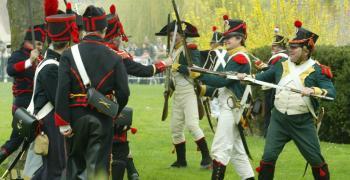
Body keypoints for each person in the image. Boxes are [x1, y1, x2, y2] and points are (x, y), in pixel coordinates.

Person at [238, 20, 336, 180]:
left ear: (306, 50)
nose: (290, 50)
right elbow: (260, 78)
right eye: (290, 46)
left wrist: (313, 90)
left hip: (302, 122)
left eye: (294, 47)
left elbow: (331, 93)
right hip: (279, 120)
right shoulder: (281, 65)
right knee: (268, 157)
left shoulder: (318, 70)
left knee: (316, 160)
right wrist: (246, 78)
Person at [175, 16, 255, 180]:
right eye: (224, 38)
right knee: (237, 152)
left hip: (232, 108)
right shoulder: (233, 56)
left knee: (219, 150)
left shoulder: (239, 57)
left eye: (229, 37)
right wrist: (204, 89)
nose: (225, 40)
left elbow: (221, 81)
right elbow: (226, 85)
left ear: (239, 38)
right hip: (231, 105)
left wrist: (199, 75)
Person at [54, 5, 130, 179]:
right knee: (99, 167)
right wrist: (115, 110)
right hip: (102, 117)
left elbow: (62, 89)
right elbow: (124, 93)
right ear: (104, 29)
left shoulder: (68, 54)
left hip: (74, 118)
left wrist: (63, 122)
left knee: (75, 165)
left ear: (84, 29)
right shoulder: (115, 57)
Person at [104, 4, 168, 180]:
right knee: (119, 145)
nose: (120, 39)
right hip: (111, 107)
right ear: (113, 35)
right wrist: (165, 64)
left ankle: (132, 171)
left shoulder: (90, 51)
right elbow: (145, 71)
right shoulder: (118, 56)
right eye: (118, 35)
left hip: (90, 106)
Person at [156, 20, 212, 169]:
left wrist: (177, 66)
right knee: (175, 128)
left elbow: (195, 71)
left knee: (193, 125)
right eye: (170, 34)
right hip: (178, 94)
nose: (172, 36)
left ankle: (207, 158)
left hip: (189, 92)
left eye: (175, 34)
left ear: (182, 35)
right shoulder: (173, 52)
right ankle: (181, 161)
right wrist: (169, 89)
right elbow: (174, 77)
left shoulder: (190, 49)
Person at [30, 12, 79, 180]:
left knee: (50, 168)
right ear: (68, 42)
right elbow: (59, 101)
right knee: (55, 169)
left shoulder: (51, 62)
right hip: (50, 122)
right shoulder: (52, 67)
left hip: (50, 121)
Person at [0, 24, 46, 164]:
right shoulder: (18, 55)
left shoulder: (41, 57)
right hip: (23, 106)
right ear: (28, 42)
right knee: (15, 142)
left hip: (37, 107)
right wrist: (30, 61)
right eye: (38, 44)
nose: (40, 47)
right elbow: (10, 70)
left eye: (41, 44)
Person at [255, 27, 289, 137]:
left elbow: (273, 73)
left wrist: (264, 69)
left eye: (274, 46)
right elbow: (272, 69)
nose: (272, 47)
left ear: (279, 47)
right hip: (271, 88)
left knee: (269, 114)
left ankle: (269, 134)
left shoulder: (280, 57)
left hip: (272, 89)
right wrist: (264, 67)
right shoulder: (280, 57)